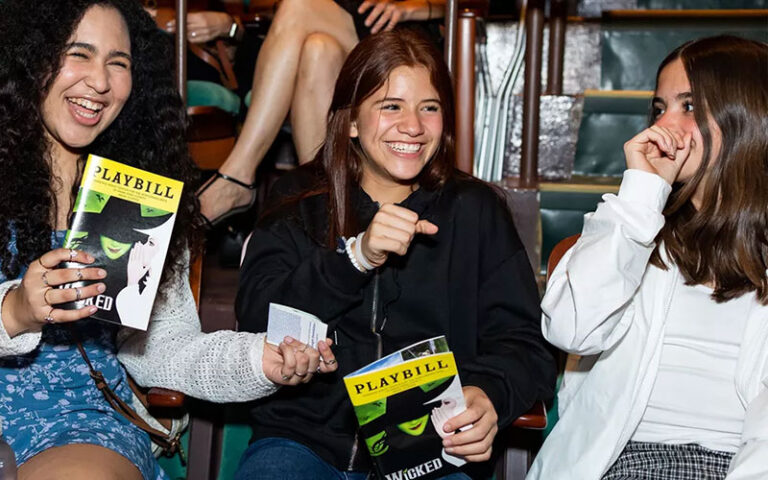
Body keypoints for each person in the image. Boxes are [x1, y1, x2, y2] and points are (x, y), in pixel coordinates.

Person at [0, 1, 336, 479]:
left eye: (119, 63)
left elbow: (165, 351)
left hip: (75, 425)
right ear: (30, 60)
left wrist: (260, 360)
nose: (100, 81)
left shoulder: (137, 197)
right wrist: (14, 311)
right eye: (79, 53)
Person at [236, 29, 556, 479]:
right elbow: (255, 323)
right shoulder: (297, 199)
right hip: (303, 443)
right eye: (391, 106)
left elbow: (526, 344)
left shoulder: (474, 209)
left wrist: (489, 393)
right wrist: (354, 259)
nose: (413, 126)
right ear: (350, 120)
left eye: (430, 107)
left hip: (431, 452)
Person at [527, 35, 768, 480]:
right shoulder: (632, 228)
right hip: (621, 461)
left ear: (747, 117)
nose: (664, 127)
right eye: (659, 108)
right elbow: (572, 330)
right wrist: (640, 195)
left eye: (689, 106)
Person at [195, 0, 446, 226]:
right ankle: (324, 202)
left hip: (409, 34)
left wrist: (420, 5)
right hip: (350, 21)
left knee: (298, 5)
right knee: (318, 50)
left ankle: (237, 176)